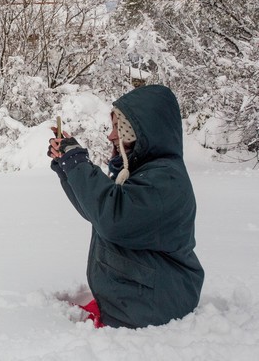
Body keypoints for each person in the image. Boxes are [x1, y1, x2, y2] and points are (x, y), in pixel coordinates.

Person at [47, 84, 204, 329]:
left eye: (119, 128)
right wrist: (67, 166)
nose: (111, 136)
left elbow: (112, 219)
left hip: (156, 304)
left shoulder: (165, 179)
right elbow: (97, 211)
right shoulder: (149, 172)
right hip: (149, 295)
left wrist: (77, 163)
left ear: (141, 132)